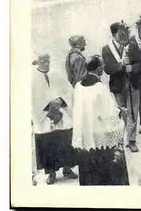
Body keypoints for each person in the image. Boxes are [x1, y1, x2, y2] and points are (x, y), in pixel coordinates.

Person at [71, 56, 129, 185]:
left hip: (85, 134)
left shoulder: (78, 86)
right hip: (100, 135)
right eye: (102, 66)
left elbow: (77, 110)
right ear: (98, 70)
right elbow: (108, 113)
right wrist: (121, 112)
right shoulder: (100, 87)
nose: (104, 68)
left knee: (89, 169)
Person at [32, 54, 77, 185]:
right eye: (43, 60)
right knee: (48, 143)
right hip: (44, 115)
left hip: (61, 112)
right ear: (37, 62)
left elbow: (68, 89)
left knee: (65, 140)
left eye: (48, 60)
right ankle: (51, 173)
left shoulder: (57, 74)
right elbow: (32, 98)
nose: (46, 63)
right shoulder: (33, 79)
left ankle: (67, 169)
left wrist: (61, 101)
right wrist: (48, 105)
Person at [101, 22, 141, 153]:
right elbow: (108, 69)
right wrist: (121, 66)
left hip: (133, 83)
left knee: (133, 111)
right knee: (122, 112)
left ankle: (132, 140)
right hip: (118, 85)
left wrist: (134, 68)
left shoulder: (132, 46)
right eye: (120, 33)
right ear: (114, 34)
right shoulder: (106, 49)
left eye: (125, 32)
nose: (123, 35)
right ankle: (122, 138)